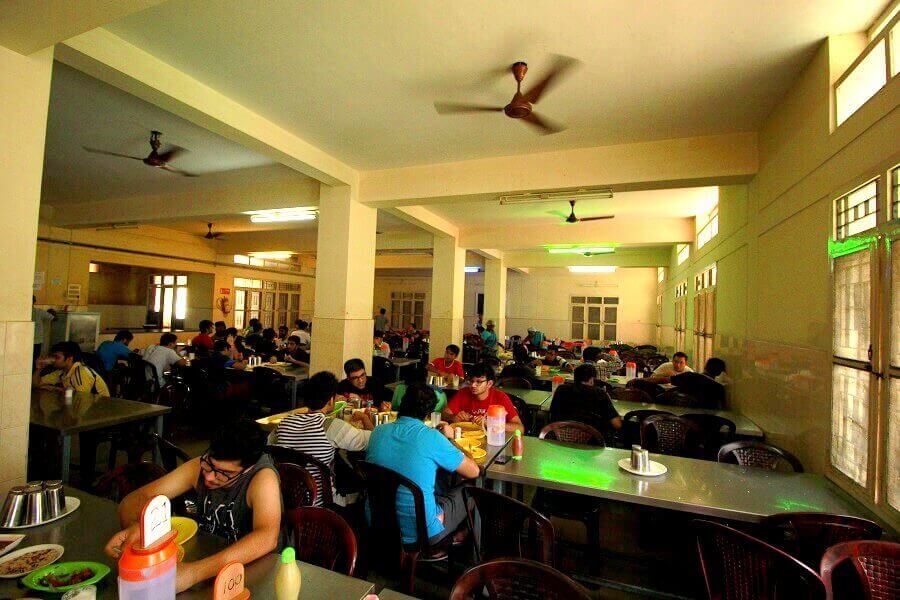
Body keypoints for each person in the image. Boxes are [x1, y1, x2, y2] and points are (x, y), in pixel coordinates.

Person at [103, 420, 281, 593]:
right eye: (209, 464)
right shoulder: (201, 466)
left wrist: (194, 573)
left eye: (225, 473)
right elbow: (130, 503)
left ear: (248, 469)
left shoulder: (262, 479)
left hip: (252, 574)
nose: (210, 477)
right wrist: (140, 529)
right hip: (208, 558)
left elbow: (267, 537)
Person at [366, 383, 480, 545]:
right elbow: (473, 471)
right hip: (421, 530)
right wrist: (451, 439)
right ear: (428, 413)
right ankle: (455, 541)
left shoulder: (378, 432)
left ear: (402, 404)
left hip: (378, 521)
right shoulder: (432, 437)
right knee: (471, 490)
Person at [271, 371, 373, 503]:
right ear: (331, 400)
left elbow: (270, 446)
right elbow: (375, 440)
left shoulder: (285, 422)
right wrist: (365, 418)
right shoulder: (331, 427)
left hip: (286, 499)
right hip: (321, 501)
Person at [443, 363, 523, 432]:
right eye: (471, 381)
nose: (473, 385)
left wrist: (491, 424)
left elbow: (520, 428)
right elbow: (443, 414)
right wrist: (454, 417)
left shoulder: (500, 397)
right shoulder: (463, 393)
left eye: (478, 382)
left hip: (493, 441)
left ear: (489, 383)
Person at [549, 363, 622, 437]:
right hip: (593, 442)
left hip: (562, 437)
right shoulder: (600, 393)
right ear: (591, 379)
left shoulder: (561, 389)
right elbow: (617, 424)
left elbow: (552, 414)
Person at [33, 341, 110, 396]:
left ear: (69, 359)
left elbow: (81, 400)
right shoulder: (61, 372)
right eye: (52, 356)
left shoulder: (81, 372)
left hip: (99, 411)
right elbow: (36, 384)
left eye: (57, 357)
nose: (53, 360)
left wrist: (56, 389)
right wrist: (38, 368)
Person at [32, 296, 56, 361]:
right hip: (37, 341)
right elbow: (54, 318)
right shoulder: (39, 312)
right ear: (34, 302)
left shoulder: (21, 313)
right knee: (34, 360)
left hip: (24, 340)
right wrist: (52, 312)